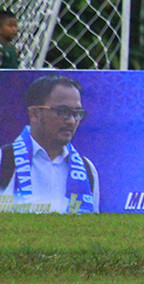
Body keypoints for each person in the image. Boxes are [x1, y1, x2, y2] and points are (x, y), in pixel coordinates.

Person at [0, 74, 99, 213]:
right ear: (34, 114)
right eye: (63, 111)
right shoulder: (4, 160)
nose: (71, 121)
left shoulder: (87, 169)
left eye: (77, 113)